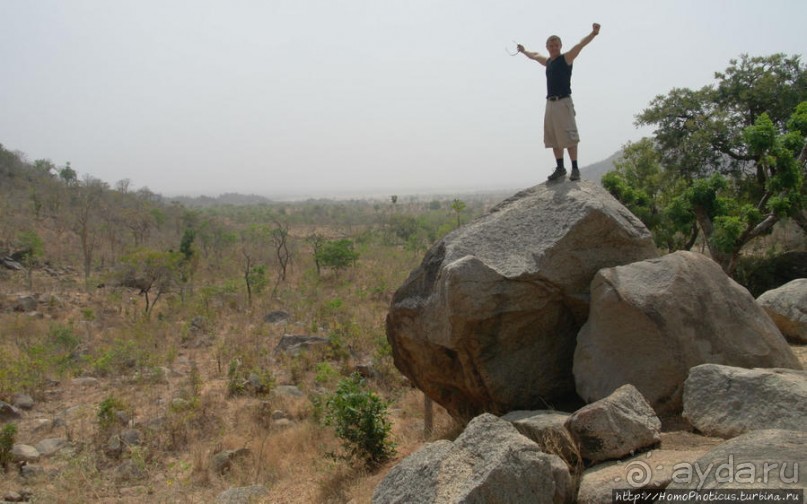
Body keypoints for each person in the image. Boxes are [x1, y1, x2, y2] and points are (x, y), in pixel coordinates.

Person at [517, 23, 601, 182]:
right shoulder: (548, 62)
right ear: (547, 47)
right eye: (551, 45)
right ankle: (560, 167)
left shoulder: (566, 59)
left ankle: (575, 168)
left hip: (563, 101)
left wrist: (593, 33)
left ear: (560, 46)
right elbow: (534, 55)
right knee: (553, 137)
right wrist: (523, 50)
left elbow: (580, 45)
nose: (554, 47)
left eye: (556, 45)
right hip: (550, 103)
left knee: (569, 136)